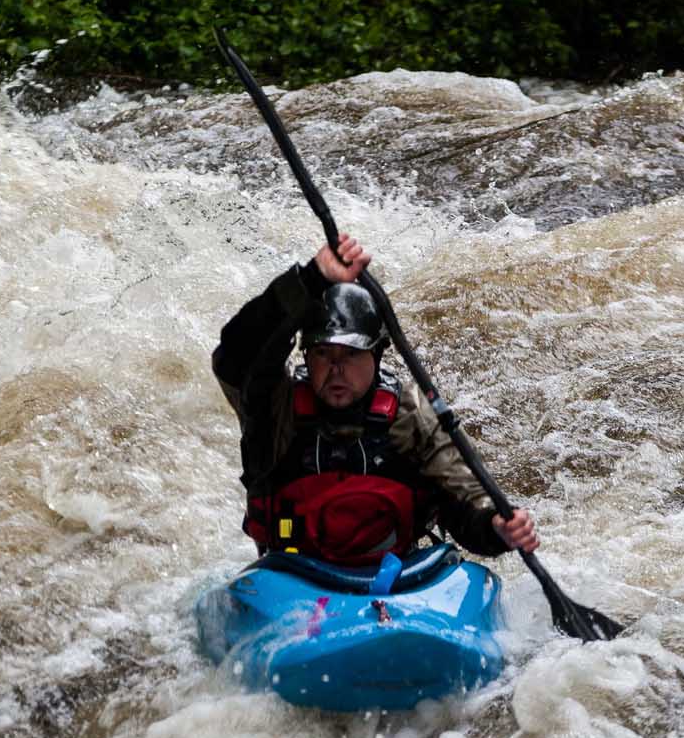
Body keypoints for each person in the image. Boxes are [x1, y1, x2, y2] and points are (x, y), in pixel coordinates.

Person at [212, 233, 540, 565]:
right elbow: (237, 353)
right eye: (324, 353)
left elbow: (462, 502)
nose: (336, 370)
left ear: (377, 355)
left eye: (351, 354)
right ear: (306, 356)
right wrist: (310, 279)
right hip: (290, 575)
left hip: (396, 580)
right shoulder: (275, 407)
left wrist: (495, 527)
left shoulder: (411, 414)